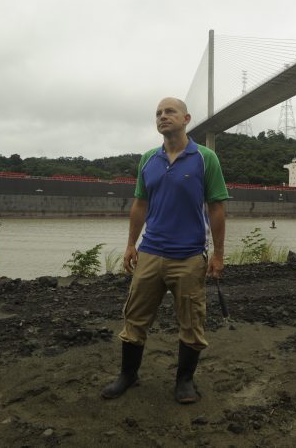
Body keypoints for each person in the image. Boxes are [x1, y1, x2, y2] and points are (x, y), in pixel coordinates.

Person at [101, 97, 228, 404]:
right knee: (134, 318)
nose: (162, 116)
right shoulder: (148, 159)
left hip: (188, 257)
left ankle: (184, 380)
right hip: (150, 253)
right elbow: (140, 205)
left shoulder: (205, 158)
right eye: (158, 113)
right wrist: (131, 244)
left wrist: (219, 254)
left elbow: (216, 207)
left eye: (169, 111)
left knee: (191, 322)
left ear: (186, 118)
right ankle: (128, 375)